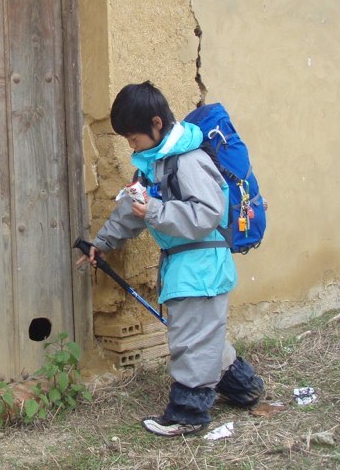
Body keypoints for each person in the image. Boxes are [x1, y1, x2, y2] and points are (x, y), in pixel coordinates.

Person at [78, 81, 264, 437]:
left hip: (202, 266)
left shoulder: (189, 160)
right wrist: (101, 244)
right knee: (201, 335)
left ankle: (187, 414)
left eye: (133, 138)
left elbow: (208, 212)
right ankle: (245, 388)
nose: (130, 145)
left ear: (156, 124)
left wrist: (156, 209)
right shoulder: (154, 166)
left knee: (190, 341)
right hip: (185, 265)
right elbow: (132, 212)